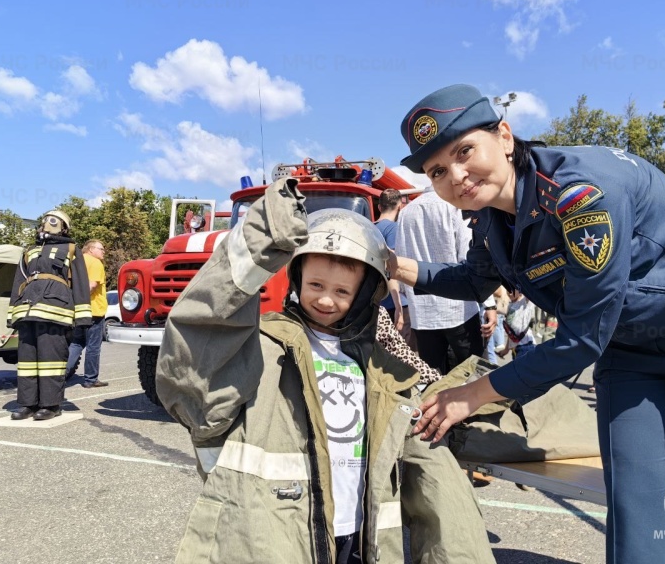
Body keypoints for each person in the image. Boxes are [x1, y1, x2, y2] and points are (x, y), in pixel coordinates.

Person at [388, 84, 665, 562]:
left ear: (504, 136)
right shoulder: (488, 218)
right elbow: (471, 281)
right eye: (438, 171)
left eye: (465, 151)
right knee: (637, 515)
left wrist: (475, 392)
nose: (457, 176)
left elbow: (582, 338)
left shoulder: (581, 193)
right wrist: (391, 265)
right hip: (630, 348)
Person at [155, 179, 494, 564]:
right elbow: (197, 358)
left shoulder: (382, 362)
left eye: (343, 291)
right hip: (277, 537)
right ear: (296, 279)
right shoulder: (262, 346)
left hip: (358, 533)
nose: (327, 299)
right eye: (315, 284)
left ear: (364, 294)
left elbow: (421, 410)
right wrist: (259, 239)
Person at [7, 211, 92, 420]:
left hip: (56, 310)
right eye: (45, 219)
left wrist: (82, 318)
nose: (47, 223)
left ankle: (51, 405)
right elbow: (19, 281)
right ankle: (27, 404)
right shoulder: (29, 251)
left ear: (63, 226)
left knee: (50, 359)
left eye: (53, 220)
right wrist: (12, 314)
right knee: (27, 360)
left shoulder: (71, 249)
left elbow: (80, 283)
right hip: (27, 311)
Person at [396, 185, 485, 375]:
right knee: (472, 374)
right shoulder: (454, 205)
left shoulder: (405, 213)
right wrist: (489, 304)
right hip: (459, 308)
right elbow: (468, 256)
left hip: (422, 312)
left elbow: (401, 263)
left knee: (433, 378)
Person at [374, 188, 416, 350]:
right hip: (396, 301)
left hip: (379, 300)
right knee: (402, 349)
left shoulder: (370, 228)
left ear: (379, 207)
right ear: (399, 207)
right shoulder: (393, 229)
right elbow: (394, 267)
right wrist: (399, 305)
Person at [66, 239, 109, 388]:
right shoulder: (95, 263)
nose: (103, 252)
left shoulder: (75, 261)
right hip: (94, 311)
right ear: (90, 249)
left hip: (78, 311)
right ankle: (91, 379)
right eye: (101, 249)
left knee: (77, 343)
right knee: (93, 346)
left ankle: (61, 375)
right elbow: (91, 285)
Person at [495, 288, 536, 361]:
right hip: (516, 349)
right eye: (508, 288)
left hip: (526, 346)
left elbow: (529, 290)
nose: (510, 291)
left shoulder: (525, 303)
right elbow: (511, 333)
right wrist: (506, 349)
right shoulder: (510, 305)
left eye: (513, 288)